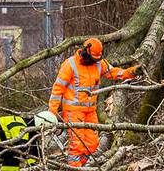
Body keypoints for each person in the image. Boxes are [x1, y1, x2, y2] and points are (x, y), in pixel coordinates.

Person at [47, 38, 137, 167]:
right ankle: (74, 167)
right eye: (92, 58)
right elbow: (57, 89)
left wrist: (131, 72)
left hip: (90, 111)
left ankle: (82, 165)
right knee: (77, 145)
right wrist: (52, 112)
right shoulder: (70, 64)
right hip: (73, 112)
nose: (93, 62)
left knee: (92, 144)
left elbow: (115, 73)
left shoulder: (99, 63)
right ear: (85, 51)